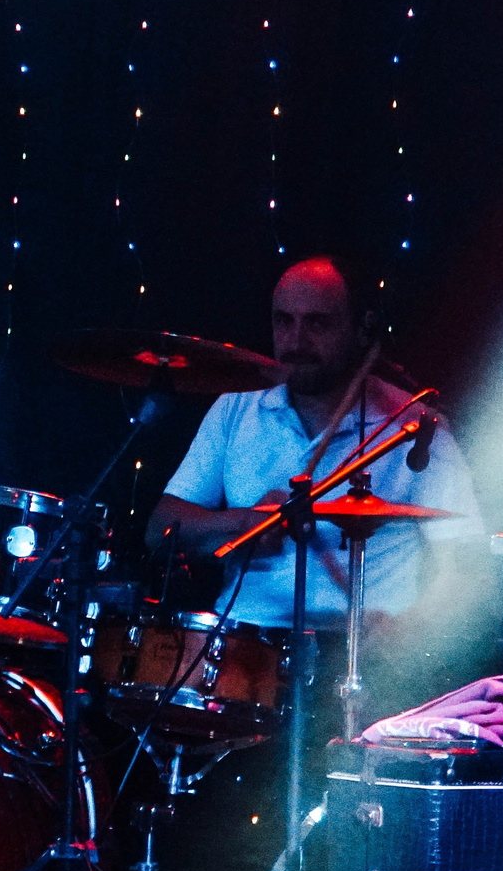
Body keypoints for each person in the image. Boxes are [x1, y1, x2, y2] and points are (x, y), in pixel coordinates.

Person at [146, 255, 485, 714]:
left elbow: (467, 565)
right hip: (240, 656)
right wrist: (244, 524)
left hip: (364, 665)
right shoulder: (234, 410)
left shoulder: (414, 427)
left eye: (318, 324)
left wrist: (414, 628)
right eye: (283, 321)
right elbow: (160, 530)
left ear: (361, 330)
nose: (295, 342)